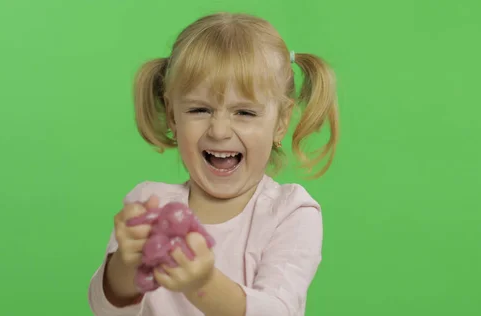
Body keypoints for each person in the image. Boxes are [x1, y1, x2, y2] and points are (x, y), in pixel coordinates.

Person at [88, 11, 339, 316]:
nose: (219, 131)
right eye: (199, 109)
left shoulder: (290, 213)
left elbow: (276, 310)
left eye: (244, 113)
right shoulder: (148, 205)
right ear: (172, 115)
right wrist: (125, 265)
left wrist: (203, 285)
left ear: (281, 122)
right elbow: (106, 309)